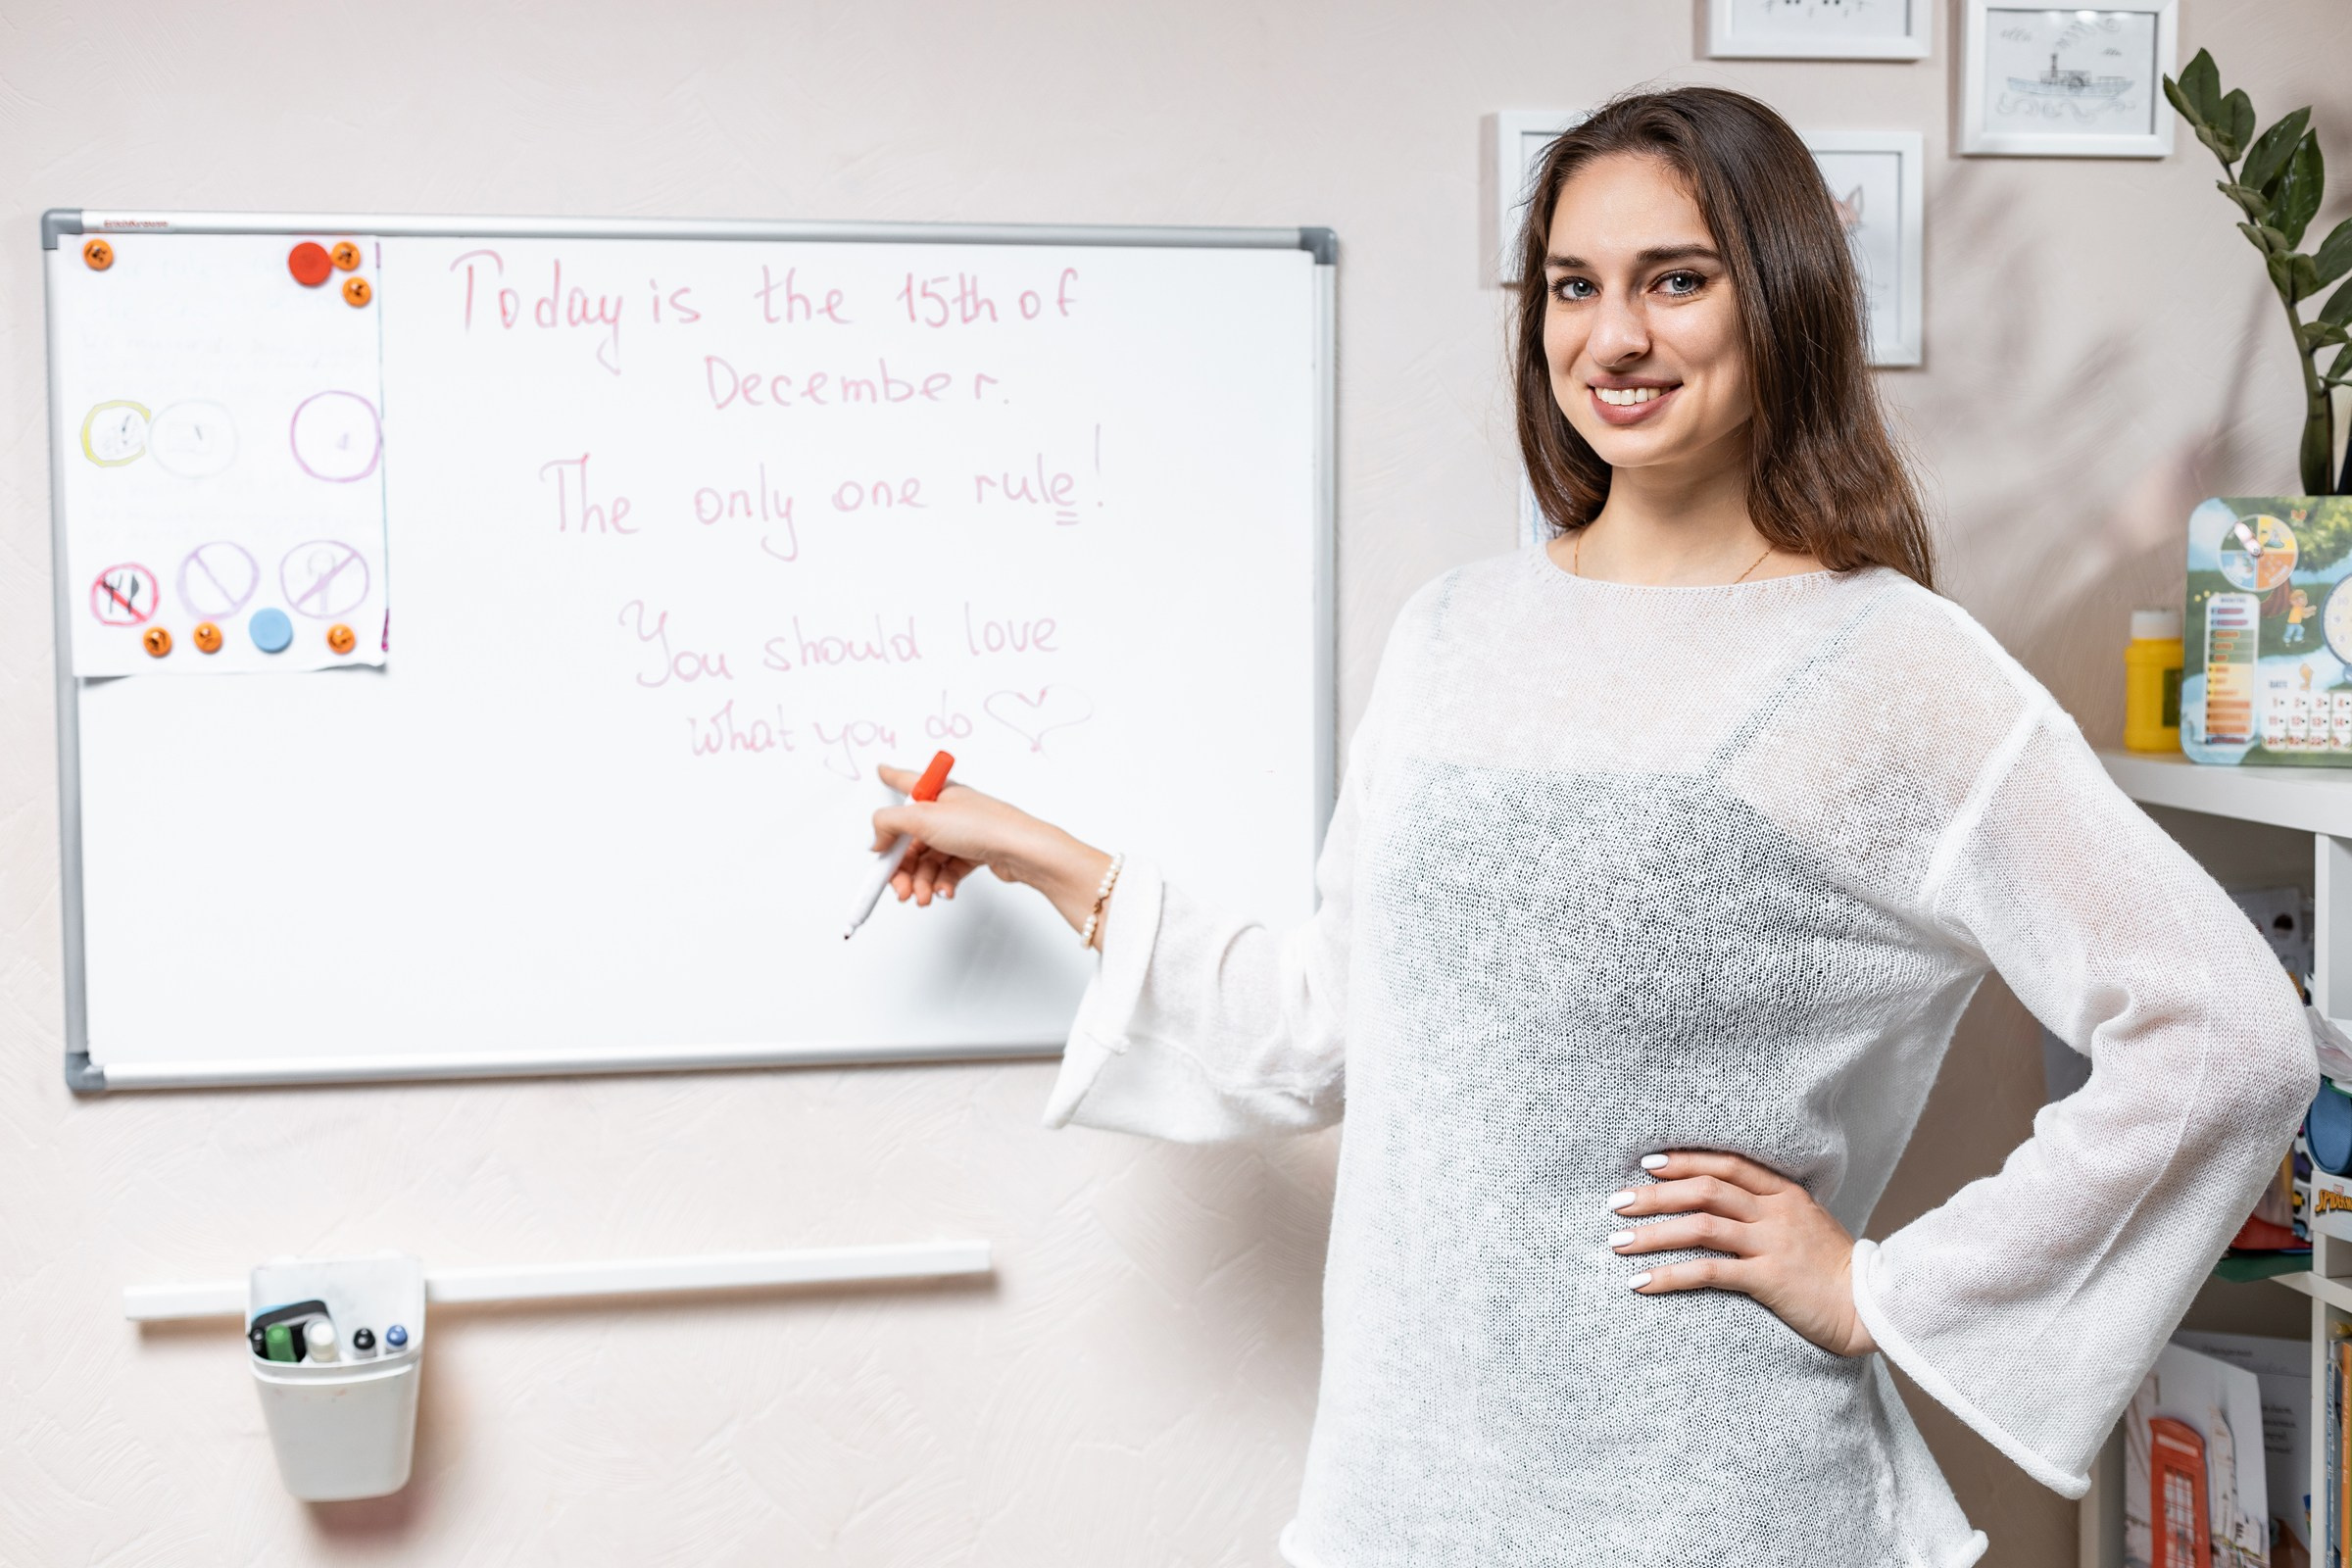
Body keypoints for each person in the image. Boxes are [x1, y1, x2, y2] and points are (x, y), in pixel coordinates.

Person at [862, 85, 2317, 1566]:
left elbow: (2227, 1035)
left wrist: (1878, 1287)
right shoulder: (1454, 636)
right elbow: (1328, 1029)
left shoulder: (1892, 669)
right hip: (1408, 1506)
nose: (1611, 336)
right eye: (1574, 285)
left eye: (1674, 281)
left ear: (1785, 303)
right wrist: (1041, 852)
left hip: (1721, 1515)